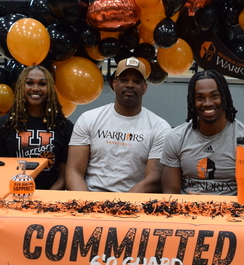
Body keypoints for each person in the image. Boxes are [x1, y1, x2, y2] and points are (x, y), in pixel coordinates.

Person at [65, 56, 171, 193]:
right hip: (91, 200)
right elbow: (73, 171)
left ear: (144, 88)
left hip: (133, 204)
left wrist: (120, 206)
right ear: (114, 84)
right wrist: (85, 204)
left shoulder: (160, 128)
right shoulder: (88, 119)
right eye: (124, 80)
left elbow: (153, 180)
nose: (130, 85)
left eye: (137, 81)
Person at [161, 69, 244, 195]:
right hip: (186, 211)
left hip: (232, 212)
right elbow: (170, 194)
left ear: (225, 97)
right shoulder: (176, 137)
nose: (207, 103)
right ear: (192, 102)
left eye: (214, 96)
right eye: (200, 98)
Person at [0, 65, 73, 190]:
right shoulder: (3, 124)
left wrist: (47, 198)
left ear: (50, 88)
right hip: (11, 195)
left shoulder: (64, 126)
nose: (35, 88)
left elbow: (64, 176)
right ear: (21, 87)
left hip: (50, 199)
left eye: (42, 84)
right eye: (29, 83)